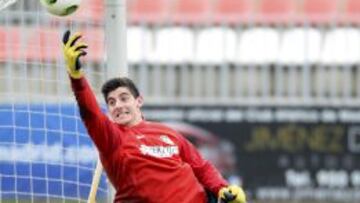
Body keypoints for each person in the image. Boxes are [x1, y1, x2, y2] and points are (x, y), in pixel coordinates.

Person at [62, 30, 247, 203]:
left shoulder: (168, 133)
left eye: (123, 98)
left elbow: (201, 166)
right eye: (111, 102)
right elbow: (90, 113)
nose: (118, 105)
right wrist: (76, 77)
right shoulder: (112, 138)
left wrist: (222, 188)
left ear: (139, 101)